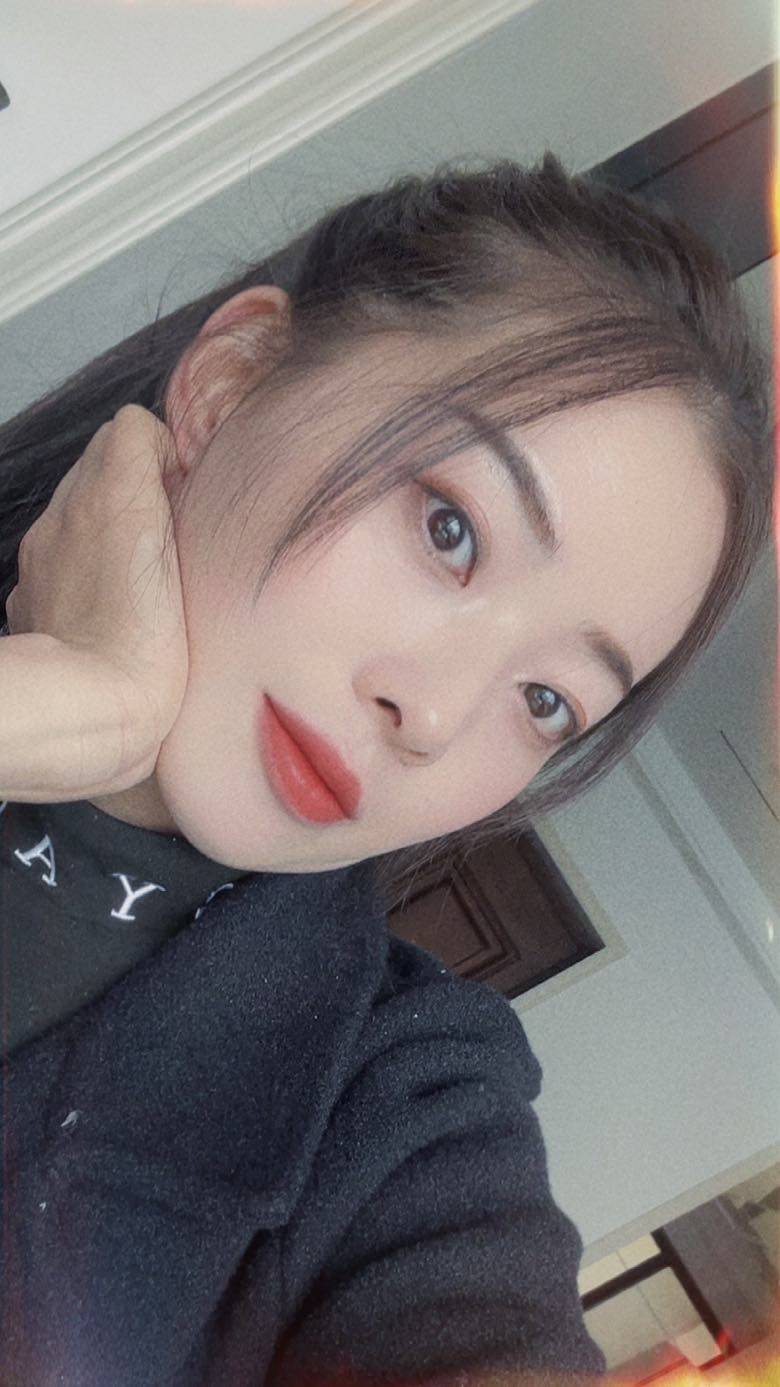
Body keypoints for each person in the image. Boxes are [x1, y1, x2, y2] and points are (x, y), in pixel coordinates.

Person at [0, 151, 772, 1385]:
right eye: (450, 528)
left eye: (547, 700)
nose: (434, 715)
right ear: (230, 382)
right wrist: (57, 709)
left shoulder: (409, 1110)